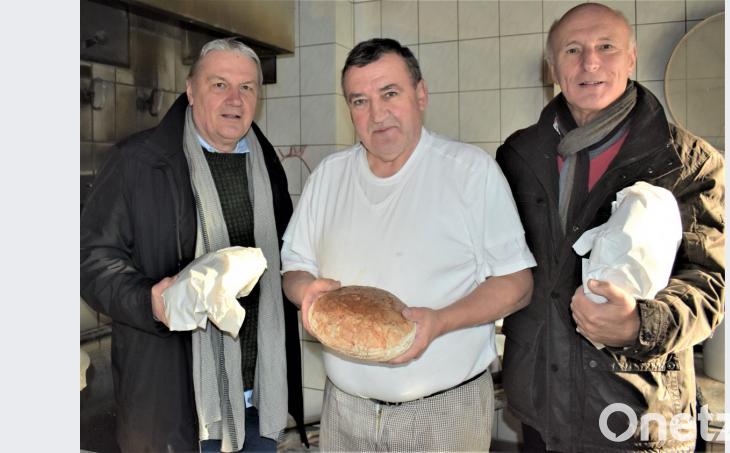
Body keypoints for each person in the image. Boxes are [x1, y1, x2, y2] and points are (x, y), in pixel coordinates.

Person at [280, 38, 536, 451]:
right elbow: (294, 265)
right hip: (344, 411)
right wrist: (305, 292)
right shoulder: (328, 176)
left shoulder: (469, 172)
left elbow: (518, 284)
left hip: (443, 414)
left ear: (421, 94)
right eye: (359, 101)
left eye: (390, 93)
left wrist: (440, 321)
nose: (376, 114)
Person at [495, 3, 725, 452]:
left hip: (635, 413)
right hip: (539, 407)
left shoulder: (687, 162)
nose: (590, 63)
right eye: (573, 50)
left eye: (606, 47)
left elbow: (710, 283)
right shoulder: (519, 156)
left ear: (631, 57)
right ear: (553, 67)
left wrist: (639, 324)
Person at [80, 38, 306, 452]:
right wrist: (148, 300)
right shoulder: (139, 162)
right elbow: (91, 262)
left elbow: (286, 255)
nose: (234, 99)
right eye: (219, 84)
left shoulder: (266, 162)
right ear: (190, 90)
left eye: (247, 87)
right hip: (177, 409)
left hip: (259, 400)